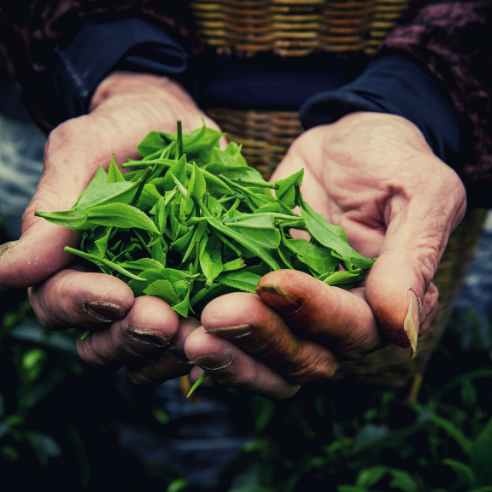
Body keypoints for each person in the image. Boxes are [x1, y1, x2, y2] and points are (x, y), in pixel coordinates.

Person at [0, 1, 489, 401]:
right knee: (156, 352)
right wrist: (125, 71)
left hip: (436, 115)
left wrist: (421, 99)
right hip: (66, 97)